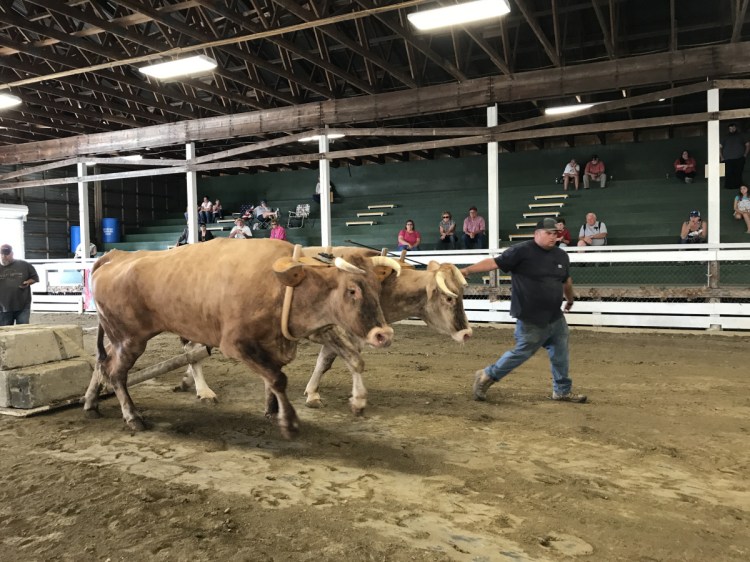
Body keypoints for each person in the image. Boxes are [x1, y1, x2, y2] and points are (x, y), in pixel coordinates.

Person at [460, 218, 586, 404]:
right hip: (530, 317)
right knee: (521, 353)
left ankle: (562, 391)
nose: (553, 237)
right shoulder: (521, 251)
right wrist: (468, 271)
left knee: (561, 354)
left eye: (555, 234)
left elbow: (566, 280)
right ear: (536, 234)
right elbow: (494, 263)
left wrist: (570, 298)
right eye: (549, 233)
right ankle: (487, 375)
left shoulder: (561, 255)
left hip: (555, 317)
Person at [0, 244, 39, 326]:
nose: (4, 257)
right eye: (2, 254)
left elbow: (34, 278)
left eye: (6, 254)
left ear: (12, 253)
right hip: (3, 307)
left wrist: (28, 282)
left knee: (23, 331)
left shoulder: (24, 265)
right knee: (5, 334)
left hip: (23, 305)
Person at [720, 123, 750, 190]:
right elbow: (720, 147)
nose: (732, 129)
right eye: (730, 128)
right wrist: (721, 157)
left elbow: (748, 145)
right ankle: (729, 187)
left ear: (736, 128)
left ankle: (739, 187)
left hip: (739, 157)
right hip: (727, 158)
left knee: (738, 172)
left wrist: (745, 155)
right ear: (728, 129)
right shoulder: (725, 137)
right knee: (728, 173)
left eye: (733, 128)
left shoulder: (741, 135)